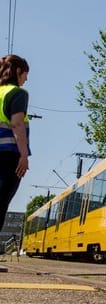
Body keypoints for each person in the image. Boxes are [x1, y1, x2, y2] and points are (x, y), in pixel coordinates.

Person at [0, 54, 30, 230]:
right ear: (18, 71)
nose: (26, 79)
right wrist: (24, 155)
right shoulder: (17, 93)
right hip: (7, 156)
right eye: (26, 74)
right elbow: (17, 124)